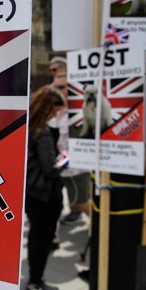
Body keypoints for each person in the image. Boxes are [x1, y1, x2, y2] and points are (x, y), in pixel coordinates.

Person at [24, 85, 66, 290]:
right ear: (49, 107)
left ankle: (34, 279)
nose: (57, 115)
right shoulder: (44, 132)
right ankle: (35, 282)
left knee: (35, 237)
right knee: (42, 238)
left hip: (31, 192)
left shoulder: (28, 126)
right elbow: (50, 168)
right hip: (45, 194)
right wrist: (65, 159)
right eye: (56, 110)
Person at [50, 73, 91, 224]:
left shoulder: (79, 111)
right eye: (54, 87)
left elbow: (76, 143)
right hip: (63, 166)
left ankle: (101, 231)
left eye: (61, 87)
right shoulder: (58, 109)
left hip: (76, 167)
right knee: (73, 200)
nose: (56, 91)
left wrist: (56, 165)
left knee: (81, 202)